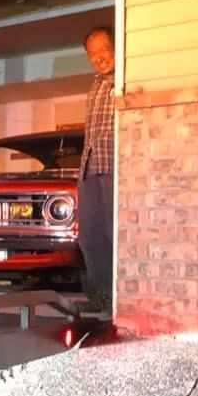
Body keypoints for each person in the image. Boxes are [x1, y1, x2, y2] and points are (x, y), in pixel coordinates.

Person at [78, 26, 115, 313]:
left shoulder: (123, 80)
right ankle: (102, 297)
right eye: (93, 53)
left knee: (115, 233)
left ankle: (120, 297)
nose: (99, 57)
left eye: (104, 49)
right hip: (89, 168)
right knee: (89, 236)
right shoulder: (95, 86)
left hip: (113, 165)